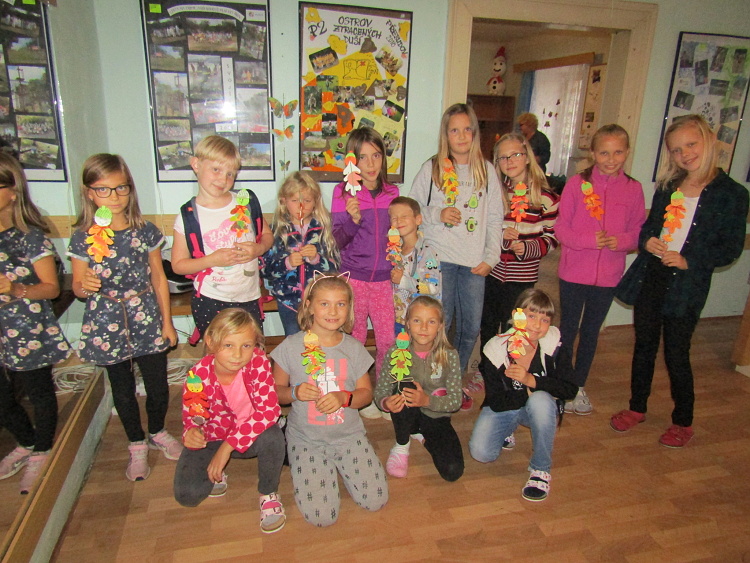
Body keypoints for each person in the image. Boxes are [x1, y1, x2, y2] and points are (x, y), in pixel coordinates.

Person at [611, 114, 749, 448]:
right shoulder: (668, 187)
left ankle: (683, 421)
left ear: (709, 140)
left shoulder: (733, 194)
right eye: (676, 149)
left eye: (690, 144)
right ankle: (637, 406)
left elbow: (730, 247)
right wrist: (648, 241)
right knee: (644, 345)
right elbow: (649, 227)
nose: (684, 154)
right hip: (653, 275)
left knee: (676, 352)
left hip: (687, 283)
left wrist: (690, 260)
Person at [68, 154, 182, 481]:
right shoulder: (83, 236)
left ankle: (157, 430)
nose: (114, 196)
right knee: (122, 388)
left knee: (158, 385)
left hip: (145, 315)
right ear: (89, 193)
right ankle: (136, 442)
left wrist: (167, 321)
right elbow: (77, 286)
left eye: (121, 188)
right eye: (103, 189)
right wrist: (85, 285)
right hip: (106, 320)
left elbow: (158, 277)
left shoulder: (144, 231)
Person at [271, 273, 388, 527]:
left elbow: (366, 394)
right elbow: (275, 392)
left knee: (376, 499)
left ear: (349, 308)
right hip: (307, 439)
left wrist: (345, 397)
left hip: (348, 435)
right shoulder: (291, 346)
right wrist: (294, 393)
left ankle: (337, 465)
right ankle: (314, 466)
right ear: (309, 306)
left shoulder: (354, 348)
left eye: (340, 304)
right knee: (322, 517)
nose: (333, 311)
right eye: (324, 303)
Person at [409, 103, 504, 378]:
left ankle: (455, 378)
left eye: (467, 130)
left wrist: (491, 257)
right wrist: (437, 213)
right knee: (441, 322)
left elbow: (495, 218)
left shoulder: (486, 170)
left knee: (471, 326)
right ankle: (432, 377)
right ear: (446, 135)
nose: (461, 136)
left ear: (474, 133)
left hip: (474, 262)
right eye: (454, 130)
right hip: (439, 259)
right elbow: (411, 209)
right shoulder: (432, 168)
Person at [556, 124, 645, 415]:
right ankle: (562, 383)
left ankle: (578, 384)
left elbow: (638, 231)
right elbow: (561, 228)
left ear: (627, 152)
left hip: (608, 276)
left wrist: (621, 241)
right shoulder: (575, 184)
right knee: (567, 329)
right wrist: (587, 240)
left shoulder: (633, 189)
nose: (611, 159)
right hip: (573, 273)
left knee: (591, 332)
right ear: (593, 153)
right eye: (604, 153)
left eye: (618, 152)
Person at [173, 308, 286, 534]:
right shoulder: (197, 376)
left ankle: (268, 493)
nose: (238, 355)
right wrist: (191, 432)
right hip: (213, 438)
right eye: (228, 345)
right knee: (187, 495)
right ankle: (218, 469)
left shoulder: (259, 363)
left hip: (248, 437)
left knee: (273, 436)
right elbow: (191, 416)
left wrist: (226, 448)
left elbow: (269, 411)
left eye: (246, 345)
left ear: (255, 345)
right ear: (210, 342)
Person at [0, 152, 71, 494]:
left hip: (27, 328)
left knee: (38, 392)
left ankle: (42, 449)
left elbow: (51, 288)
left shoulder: (29, 236)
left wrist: (15, 289)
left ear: (13, 191)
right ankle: (26, 441)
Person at [469, 289, 577, 502]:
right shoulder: (495, 348)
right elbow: (496, 401)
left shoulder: (555, 342)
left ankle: (540, 470)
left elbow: (570, 389)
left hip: (538, 408)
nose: (537, 325)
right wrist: (527, 392)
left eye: (545, 320)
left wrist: (531, 381)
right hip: (505, 406)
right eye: (531, 316)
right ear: (516, 315)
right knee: (481, 453)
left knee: (541, 401)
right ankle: (509, 427)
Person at [171, 135, 273, 338]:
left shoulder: (245, 202)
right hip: (211, 299)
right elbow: (178, 265)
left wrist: (258, 248)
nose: (223, 179)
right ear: (196, 164)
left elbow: (267, 235)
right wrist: (212, 260)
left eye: (230, 174)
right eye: (216, 170)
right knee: (217, 352)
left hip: (249, 297)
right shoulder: (188, 216)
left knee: (250, 350)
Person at [331, 127, 399, 419]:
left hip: (384, 280)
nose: (370, 164)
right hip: (354, 279)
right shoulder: (342, 193)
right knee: (355, 341)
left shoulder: (392, 193)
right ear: (352, 161)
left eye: (376, 156)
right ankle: (357, 397)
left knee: (387, 342)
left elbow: (399, 235)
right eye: (363, 157)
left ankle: (383, 395)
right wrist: (353, 219)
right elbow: (337, 241)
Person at [480, 132, 559, 352]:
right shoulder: (495, 194)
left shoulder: (546, 197)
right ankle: (487, 366)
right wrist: (501, 237)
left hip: (522, 278)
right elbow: (484, 229)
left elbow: (552, 237)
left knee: (515, 327)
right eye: (503, 157)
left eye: (515, 155)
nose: (509, 161)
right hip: (493, 273)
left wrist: (527, 247)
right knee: (488, 325)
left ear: (527, 157)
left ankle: (511, 366)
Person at [374, 296, 463, 481]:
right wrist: (385, 402)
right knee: (404, 384)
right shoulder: (395, 352)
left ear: (440, 326)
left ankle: (423, 436)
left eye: (431, 322)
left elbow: (456, 401)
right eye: (417, 320)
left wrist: (427, 400)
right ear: (407, 323)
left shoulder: (450, 355)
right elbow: (381, 390)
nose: (423, 327)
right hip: (406, 414)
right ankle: (402, 445)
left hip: (436, 415)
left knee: (453, 471)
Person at [262, 171, 339, 335]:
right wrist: (287, 263)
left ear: (315, 201)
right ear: (284, 200)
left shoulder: (323, 230)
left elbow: (335, 267)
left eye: (307, 200)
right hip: (289, 302)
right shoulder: (277, 231)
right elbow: (266, 270)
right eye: (295, 200)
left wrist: (316, 258)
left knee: (321, 342)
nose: (301, 206)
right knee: (295, 343)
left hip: (320, 302)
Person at [387, 196, 441, 334]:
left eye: (404, 216)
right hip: (400, 319)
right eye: (394, 218)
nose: (399, 221)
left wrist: (403, 281)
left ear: (418, 220)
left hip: (422, 322)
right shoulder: (394, 251)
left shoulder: (427, 252)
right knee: (401, 348)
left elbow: (433, 287)